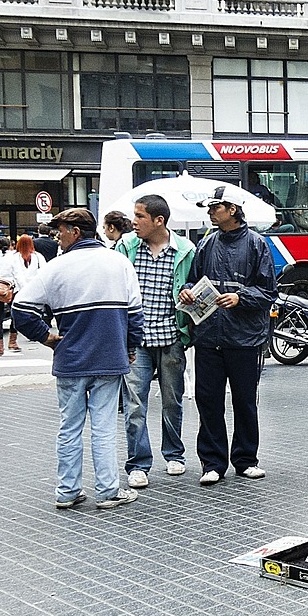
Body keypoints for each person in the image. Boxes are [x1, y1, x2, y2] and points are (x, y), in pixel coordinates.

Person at [11, 208, 144, 510]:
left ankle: (67, 491)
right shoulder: (119, 262)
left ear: (76, 232)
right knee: (104, 426)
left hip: (70, 359)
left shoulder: (56, 268)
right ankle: (108, 491)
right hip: (109, 359)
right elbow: (135, 315)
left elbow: (21, 309)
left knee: (69, 427)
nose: (57, 237)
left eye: (60, 230)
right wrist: (131, 346)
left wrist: (46, 337)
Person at [180, 186, 277, 486]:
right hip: (209, 336)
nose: (210, 212)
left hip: (244, 338)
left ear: (232, 209)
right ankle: (212, 463)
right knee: (207, 400)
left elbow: (269, 292)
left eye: (215, 207)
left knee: (245, 400)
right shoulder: (207, 244)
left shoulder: (256, 244)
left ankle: (246, 460)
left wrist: (240, 297)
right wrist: (187, 291)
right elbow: (194, 280)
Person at [120, 194, 197, 489]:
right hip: (136, 338)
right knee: (135, 403)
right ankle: (138, 464)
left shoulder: (185, 250)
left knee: (172, 401)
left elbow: (195, 282)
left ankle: (174, 454)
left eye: (139, 216)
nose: (133, 222)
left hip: (171, 337)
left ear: (158, 221)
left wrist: (189, 292)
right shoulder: (126, 246)